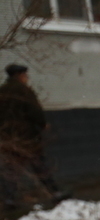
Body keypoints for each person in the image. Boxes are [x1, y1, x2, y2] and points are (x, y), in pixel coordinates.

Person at [0, 63, 64, 208]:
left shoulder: (2, 92)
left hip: (8, 138)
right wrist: (43, 124)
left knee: (12, 168)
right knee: (39, 165)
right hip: (26, 137)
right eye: (25, 75)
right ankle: (55, 193)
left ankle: (9, 198)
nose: (27, 78)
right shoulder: (24, 91)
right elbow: (35, 111)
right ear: (20, 76)